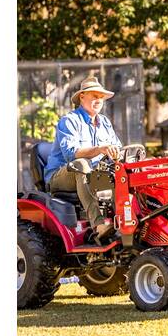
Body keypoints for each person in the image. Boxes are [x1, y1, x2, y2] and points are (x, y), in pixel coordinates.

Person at [44, 76, 122, 240]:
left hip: (94, 175)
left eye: (101, 97)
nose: (98, 100)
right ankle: (98, 224)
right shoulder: (69, 121)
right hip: (61, 176)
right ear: (82, 97)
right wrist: (100, 149)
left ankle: (127, 221)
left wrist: (117, 155)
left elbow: (117, 148)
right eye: (94, 96)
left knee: (121, 172)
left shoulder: (105, 123)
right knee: (82, 164)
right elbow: (71, 153)